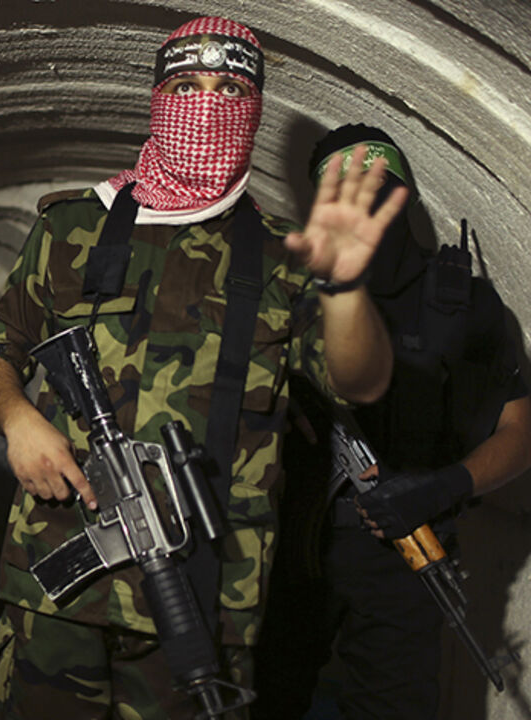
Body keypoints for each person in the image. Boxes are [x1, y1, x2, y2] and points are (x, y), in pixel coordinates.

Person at [0, 16, 407, 719]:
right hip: (57, 579)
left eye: (230, 88)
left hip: (204, 595)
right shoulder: (72, 227)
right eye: (185, 86)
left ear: (255, 110)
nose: (206, 105)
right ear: (157, 99)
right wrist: (18, 420)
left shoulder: (283, 260)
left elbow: (361, 382)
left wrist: (345, 287)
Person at [251, 124, 531, 719]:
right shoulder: (289, 291)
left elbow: (521, 430)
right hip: (289, 543)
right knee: (260, 697)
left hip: (407, 547)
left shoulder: (463, 303)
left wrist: (445, 485)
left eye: (380, 191)